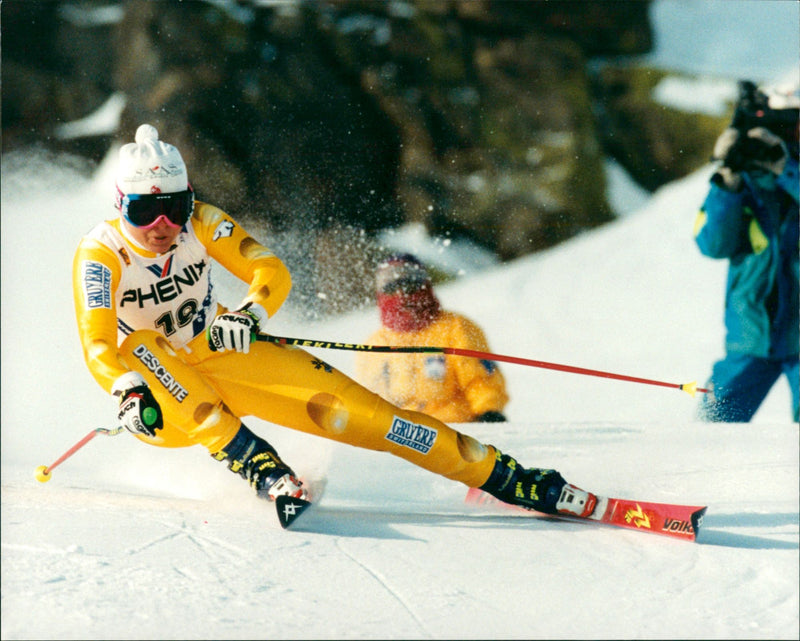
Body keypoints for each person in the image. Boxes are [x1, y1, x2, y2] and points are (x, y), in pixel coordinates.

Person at [73, 123, 597, 519]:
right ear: (121, 207)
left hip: (220, 353)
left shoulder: (202, 223)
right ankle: (261, 467)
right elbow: (97, 340)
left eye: (175, 206)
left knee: (375, 418)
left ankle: (512, 479)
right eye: (145, 211)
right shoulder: (100, 256)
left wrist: (251, 313)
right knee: (143, 341)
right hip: (160, 402)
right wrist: (125, 390)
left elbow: (269, 270)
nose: (163, 225)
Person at [694, 81, 799, 422]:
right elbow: (712, 244)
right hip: (750, 337)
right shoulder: (747, 182)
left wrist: (787, 170)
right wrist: (727, 179)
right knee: (709, 432)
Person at [354, 254, 509, 423]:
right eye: (391, 288)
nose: (401, 294)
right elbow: (368, 399)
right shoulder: (374, 344)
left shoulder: (455, 327)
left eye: (410, 285)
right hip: (399, 437)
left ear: (425, 286)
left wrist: (488, 410)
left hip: (454, 431)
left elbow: (481, 379)